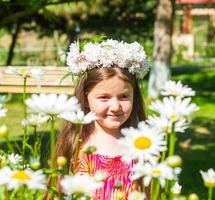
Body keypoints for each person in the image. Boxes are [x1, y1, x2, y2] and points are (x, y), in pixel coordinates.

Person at [55, 39, 149, 199]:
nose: (115, 106)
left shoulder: (142, 146)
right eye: (104, 97)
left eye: (124, 97)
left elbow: (150, 194)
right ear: (85, 98)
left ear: (135, 96)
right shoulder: (75, 143)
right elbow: (58, 192)